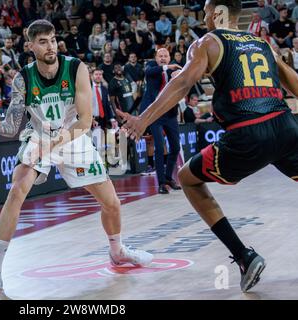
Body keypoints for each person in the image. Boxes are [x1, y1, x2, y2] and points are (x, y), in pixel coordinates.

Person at [118, 0, 298, 292]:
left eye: (206, 11)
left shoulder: (206, 43)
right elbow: (295, 86)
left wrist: (143, 118)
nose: (203, 16)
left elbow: (183, 84)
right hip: (286, 125)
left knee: (187, 178)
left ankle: (244, 256)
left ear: (217, 13)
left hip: (247, 133)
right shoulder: (262, 43)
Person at [0, 19, 153, 295]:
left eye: (52, 39)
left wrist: (54, 143)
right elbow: (12, 127)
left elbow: (84, 122)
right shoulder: (23, 77)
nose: (50, 46)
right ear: (31, 46)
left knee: (112, 203)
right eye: (43, 41)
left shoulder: (75, 68)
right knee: (17, 189)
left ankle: (117, 251)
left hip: (72, 136)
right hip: (38, 135)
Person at [140, 48, 183, 194]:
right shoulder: (152, 66)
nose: (163, 58)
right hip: (155, 114)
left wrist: (179, 76)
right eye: (160, 56)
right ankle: (161, 183)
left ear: (169, 57)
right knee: (159, 147)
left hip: (170, 113)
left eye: (166, 56)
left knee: (176, 147)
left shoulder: (174, 71)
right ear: (156, 58)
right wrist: (166, 67)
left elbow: (183, 84)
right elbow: (148, 73)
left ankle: (168, 177)